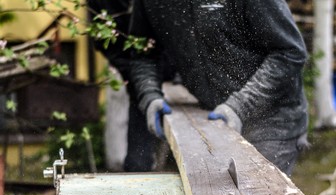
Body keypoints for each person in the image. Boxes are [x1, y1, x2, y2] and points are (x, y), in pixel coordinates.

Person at [127, 0, 310, 176]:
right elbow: (142, 53)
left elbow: (289, 52)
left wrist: (240, 105)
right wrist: (149, 95)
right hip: (212, 114)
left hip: (271, 119)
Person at [87, 0, 176, 172]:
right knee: (128, 155)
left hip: (164, 63)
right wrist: (136, 76)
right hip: (126, 67)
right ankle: (127, 172)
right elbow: (102, 40)